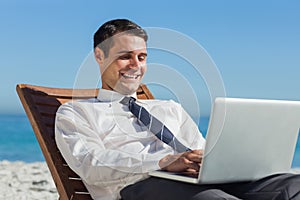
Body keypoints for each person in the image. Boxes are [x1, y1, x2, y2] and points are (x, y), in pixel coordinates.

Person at [55, 19, 300, 200]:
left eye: (142, 57)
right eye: (125, 56)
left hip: (195, 183)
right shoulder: (75, 114)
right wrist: (162, 162)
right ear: (99, 56)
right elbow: (91, 164)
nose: (135, 65)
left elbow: (199, 149)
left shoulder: (169, 108)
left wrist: (209, 162)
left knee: (293, 186)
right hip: (137, 187)